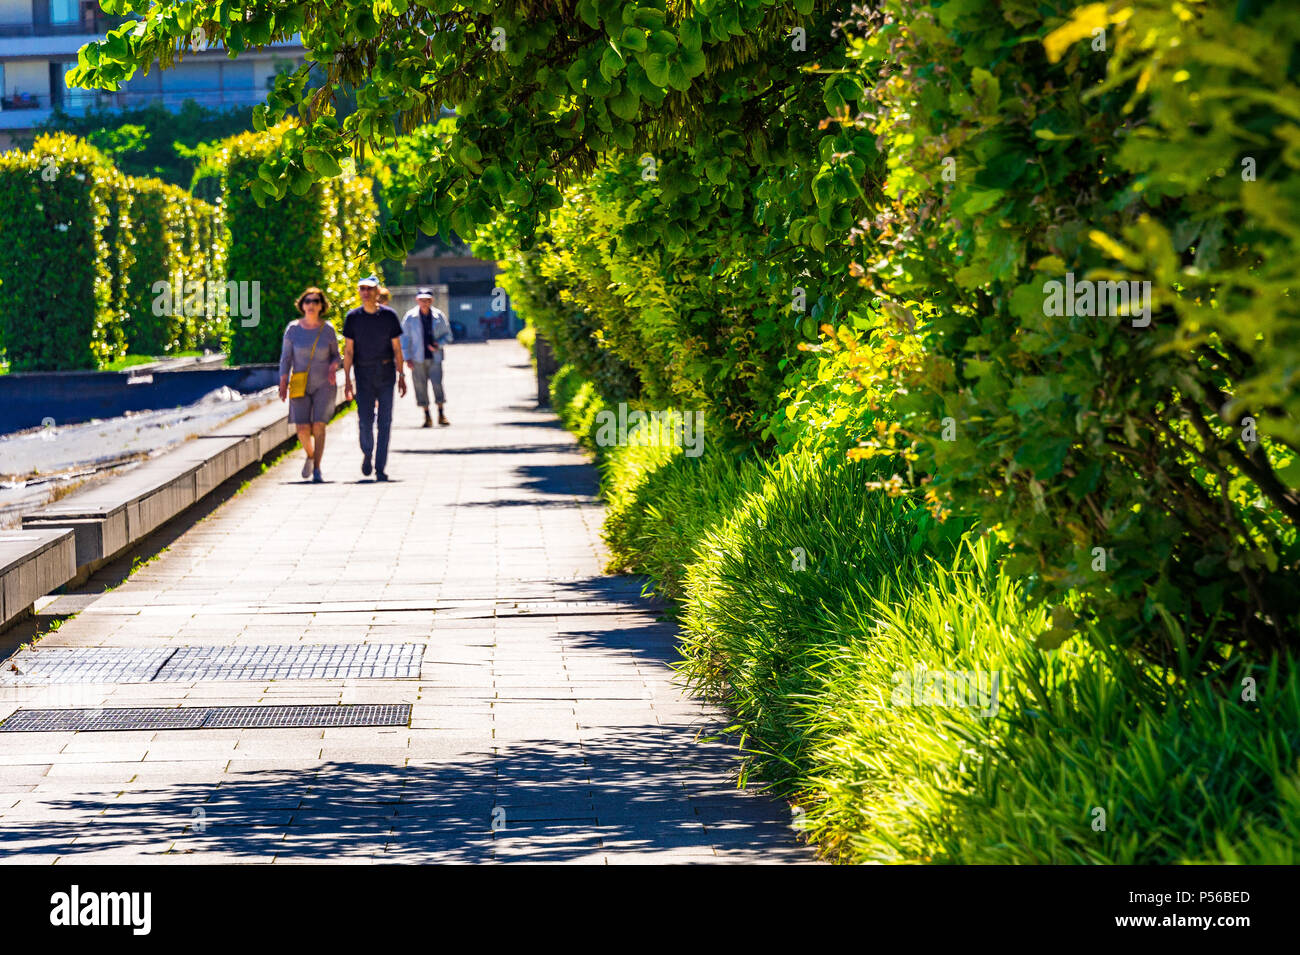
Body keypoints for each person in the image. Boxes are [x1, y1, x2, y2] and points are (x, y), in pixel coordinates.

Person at [342, 274, 406, 481]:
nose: (365, 292)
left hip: (386, 372)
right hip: (363, 373)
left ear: (377, 292)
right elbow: (349, 351)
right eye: (362, 289)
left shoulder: (389, 316)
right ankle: (367, 452)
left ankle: (380, 467)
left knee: (385, 421)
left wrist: (402, 374)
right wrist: (347, 380)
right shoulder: (353, 318)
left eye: (369, 289)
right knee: (365, 420)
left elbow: (397, 348)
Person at [278, 287, 340, 484]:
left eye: (315, 301)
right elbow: (286, 357)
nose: (311, 305)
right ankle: (311, 456)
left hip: (324, 384)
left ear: (321, 306)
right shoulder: (293, 329)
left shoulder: (327, 329)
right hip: (299, 383)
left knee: (319, 426)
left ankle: (318, 469)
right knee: (303, 429)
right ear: (302, 305)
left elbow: (336, 355)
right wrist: (283, 380)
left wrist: (333, 367)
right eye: (307, 301)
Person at [400, 287, 454, 427]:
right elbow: (404, 339)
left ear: (431, 301)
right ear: (417, 300)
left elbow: (448, 336)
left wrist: (439, 344)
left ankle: (441, 414)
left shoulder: (438, 316)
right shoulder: (410, 317)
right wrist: (407, 357)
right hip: (417, 358)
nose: (424, 303)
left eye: (427, 300)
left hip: (435, 357)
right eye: (422, 300)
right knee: (420, 387)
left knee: (437, 384)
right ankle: (427, 416)